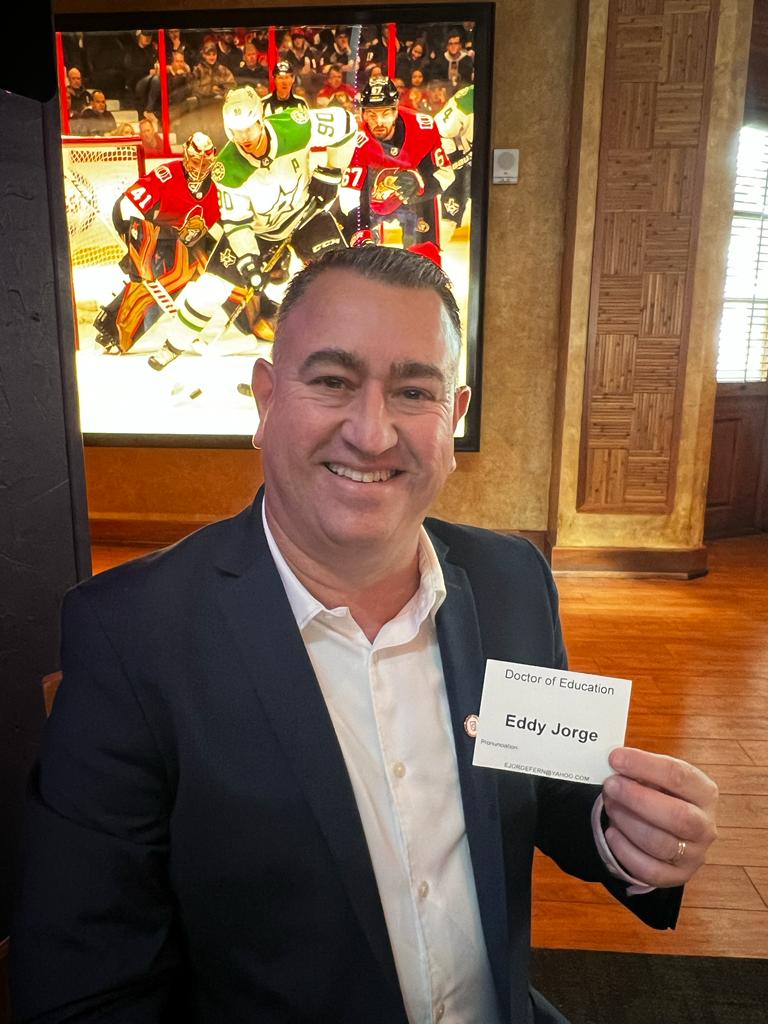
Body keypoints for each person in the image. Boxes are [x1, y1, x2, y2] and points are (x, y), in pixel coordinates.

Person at [11, 244, 719, 1023]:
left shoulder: (513, 580)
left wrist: (624, 832)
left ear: (453, 417)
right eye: (333, 381)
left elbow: (542, 786)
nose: (373, 433)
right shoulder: (130, 635)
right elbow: (88, 984)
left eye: (413, 391)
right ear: (266, 400)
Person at [147, 84, 356, 368]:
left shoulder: (294, 126)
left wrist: (332, 171)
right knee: (211, 288)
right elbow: (236, 223)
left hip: (306, 214)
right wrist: (248, 261)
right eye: (236, 131)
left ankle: (355, 341)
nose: (244, 137)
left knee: (342, 275)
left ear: (260, 119)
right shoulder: (227, 169)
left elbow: (346, 124)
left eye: (248, 128)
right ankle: (174, 343)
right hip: (259, 232)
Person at [90, 132, 221, 355]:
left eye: (204, 162)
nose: (199, 168)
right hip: (142, 226)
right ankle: (112, 330)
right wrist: (137, 243)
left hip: (173, 237)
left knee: (186, 271)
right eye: (195, 161)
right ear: (186, 155)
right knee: (152, 274)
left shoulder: (215, 188)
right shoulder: (166, 175)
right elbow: (127, 206)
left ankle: (118, 331)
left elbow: (212, 231)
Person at [340, 75, 454, 254]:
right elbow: (350, 196)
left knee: (424, 259)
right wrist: (362, 236)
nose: (378, 122)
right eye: (372, 114)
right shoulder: (354, 137)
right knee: (359, 257)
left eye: (385, 113)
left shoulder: (422, 128)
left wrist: (420, 183)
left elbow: (445, 175)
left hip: (415, 201)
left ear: (395, 110)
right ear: (363, 113)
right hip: (369, 203)